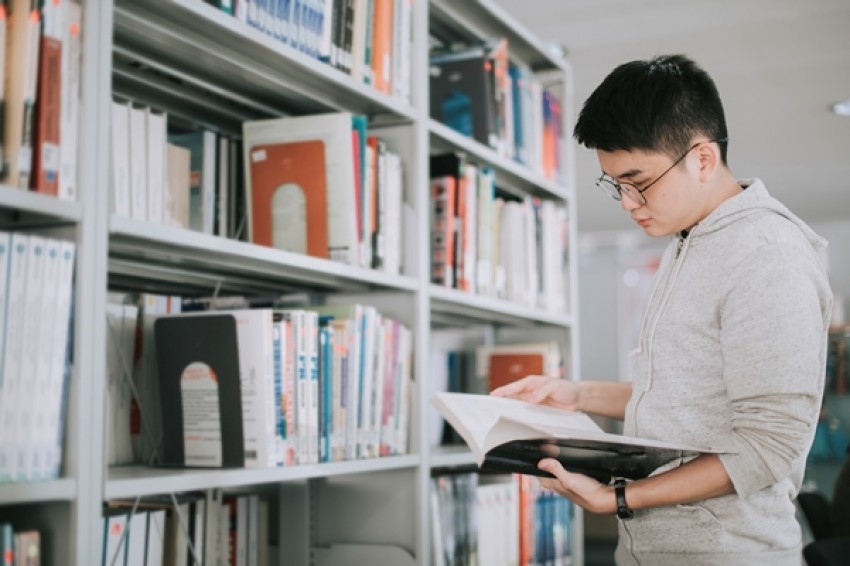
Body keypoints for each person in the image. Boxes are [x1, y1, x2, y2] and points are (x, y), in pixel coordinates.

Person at [492, 54, 834, 565]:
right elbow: (688, 395)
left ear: (701, 158)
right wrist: (575, 393)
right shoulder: (688, 241)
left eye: (639, 180)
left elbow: (769, 445)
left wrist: (621, 498)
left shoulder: (767, 254)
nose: (628, 201)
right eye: (615, 185)